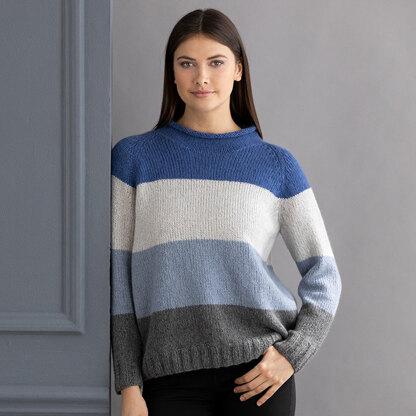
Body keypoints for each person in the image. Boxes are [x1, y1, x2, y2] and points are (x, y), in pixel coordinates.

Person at [110, 8, 342, 416]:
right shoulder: (134, 159)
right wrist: (129, 385)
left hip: (258, 375)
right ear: (172, 73)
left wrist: (293, 354)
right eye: (187, 64)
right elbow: (119, 281)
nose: (201, 77)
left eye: (215, 63)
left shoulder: (276, 165)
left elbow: (325, 274)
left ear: (238, 69)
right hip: (167, 378)